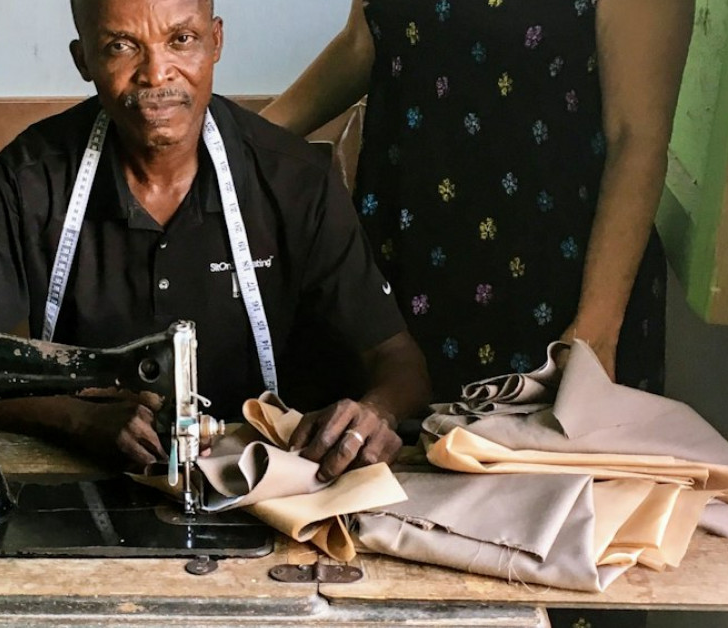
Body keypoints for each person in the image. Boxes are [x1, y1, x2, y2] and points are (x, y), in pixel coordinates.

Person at [0, 0, 431, 482]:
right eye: (121, 46)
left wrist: (375, 413)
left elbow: (399, 362)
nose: (156, 74)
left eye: (182, 39)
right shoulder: (29, 181)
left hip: (268, 484)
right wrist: (75, 419)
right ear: (83, 60)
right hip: (88, 474)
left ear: (216, 41)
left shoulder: (296, 181)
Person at [261, 0, 693, 402]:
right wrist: (241, 140)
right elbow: (363, 40)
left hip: (548, 292)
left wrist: (594, 333)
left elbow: (636, 140)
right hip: (402, 261)